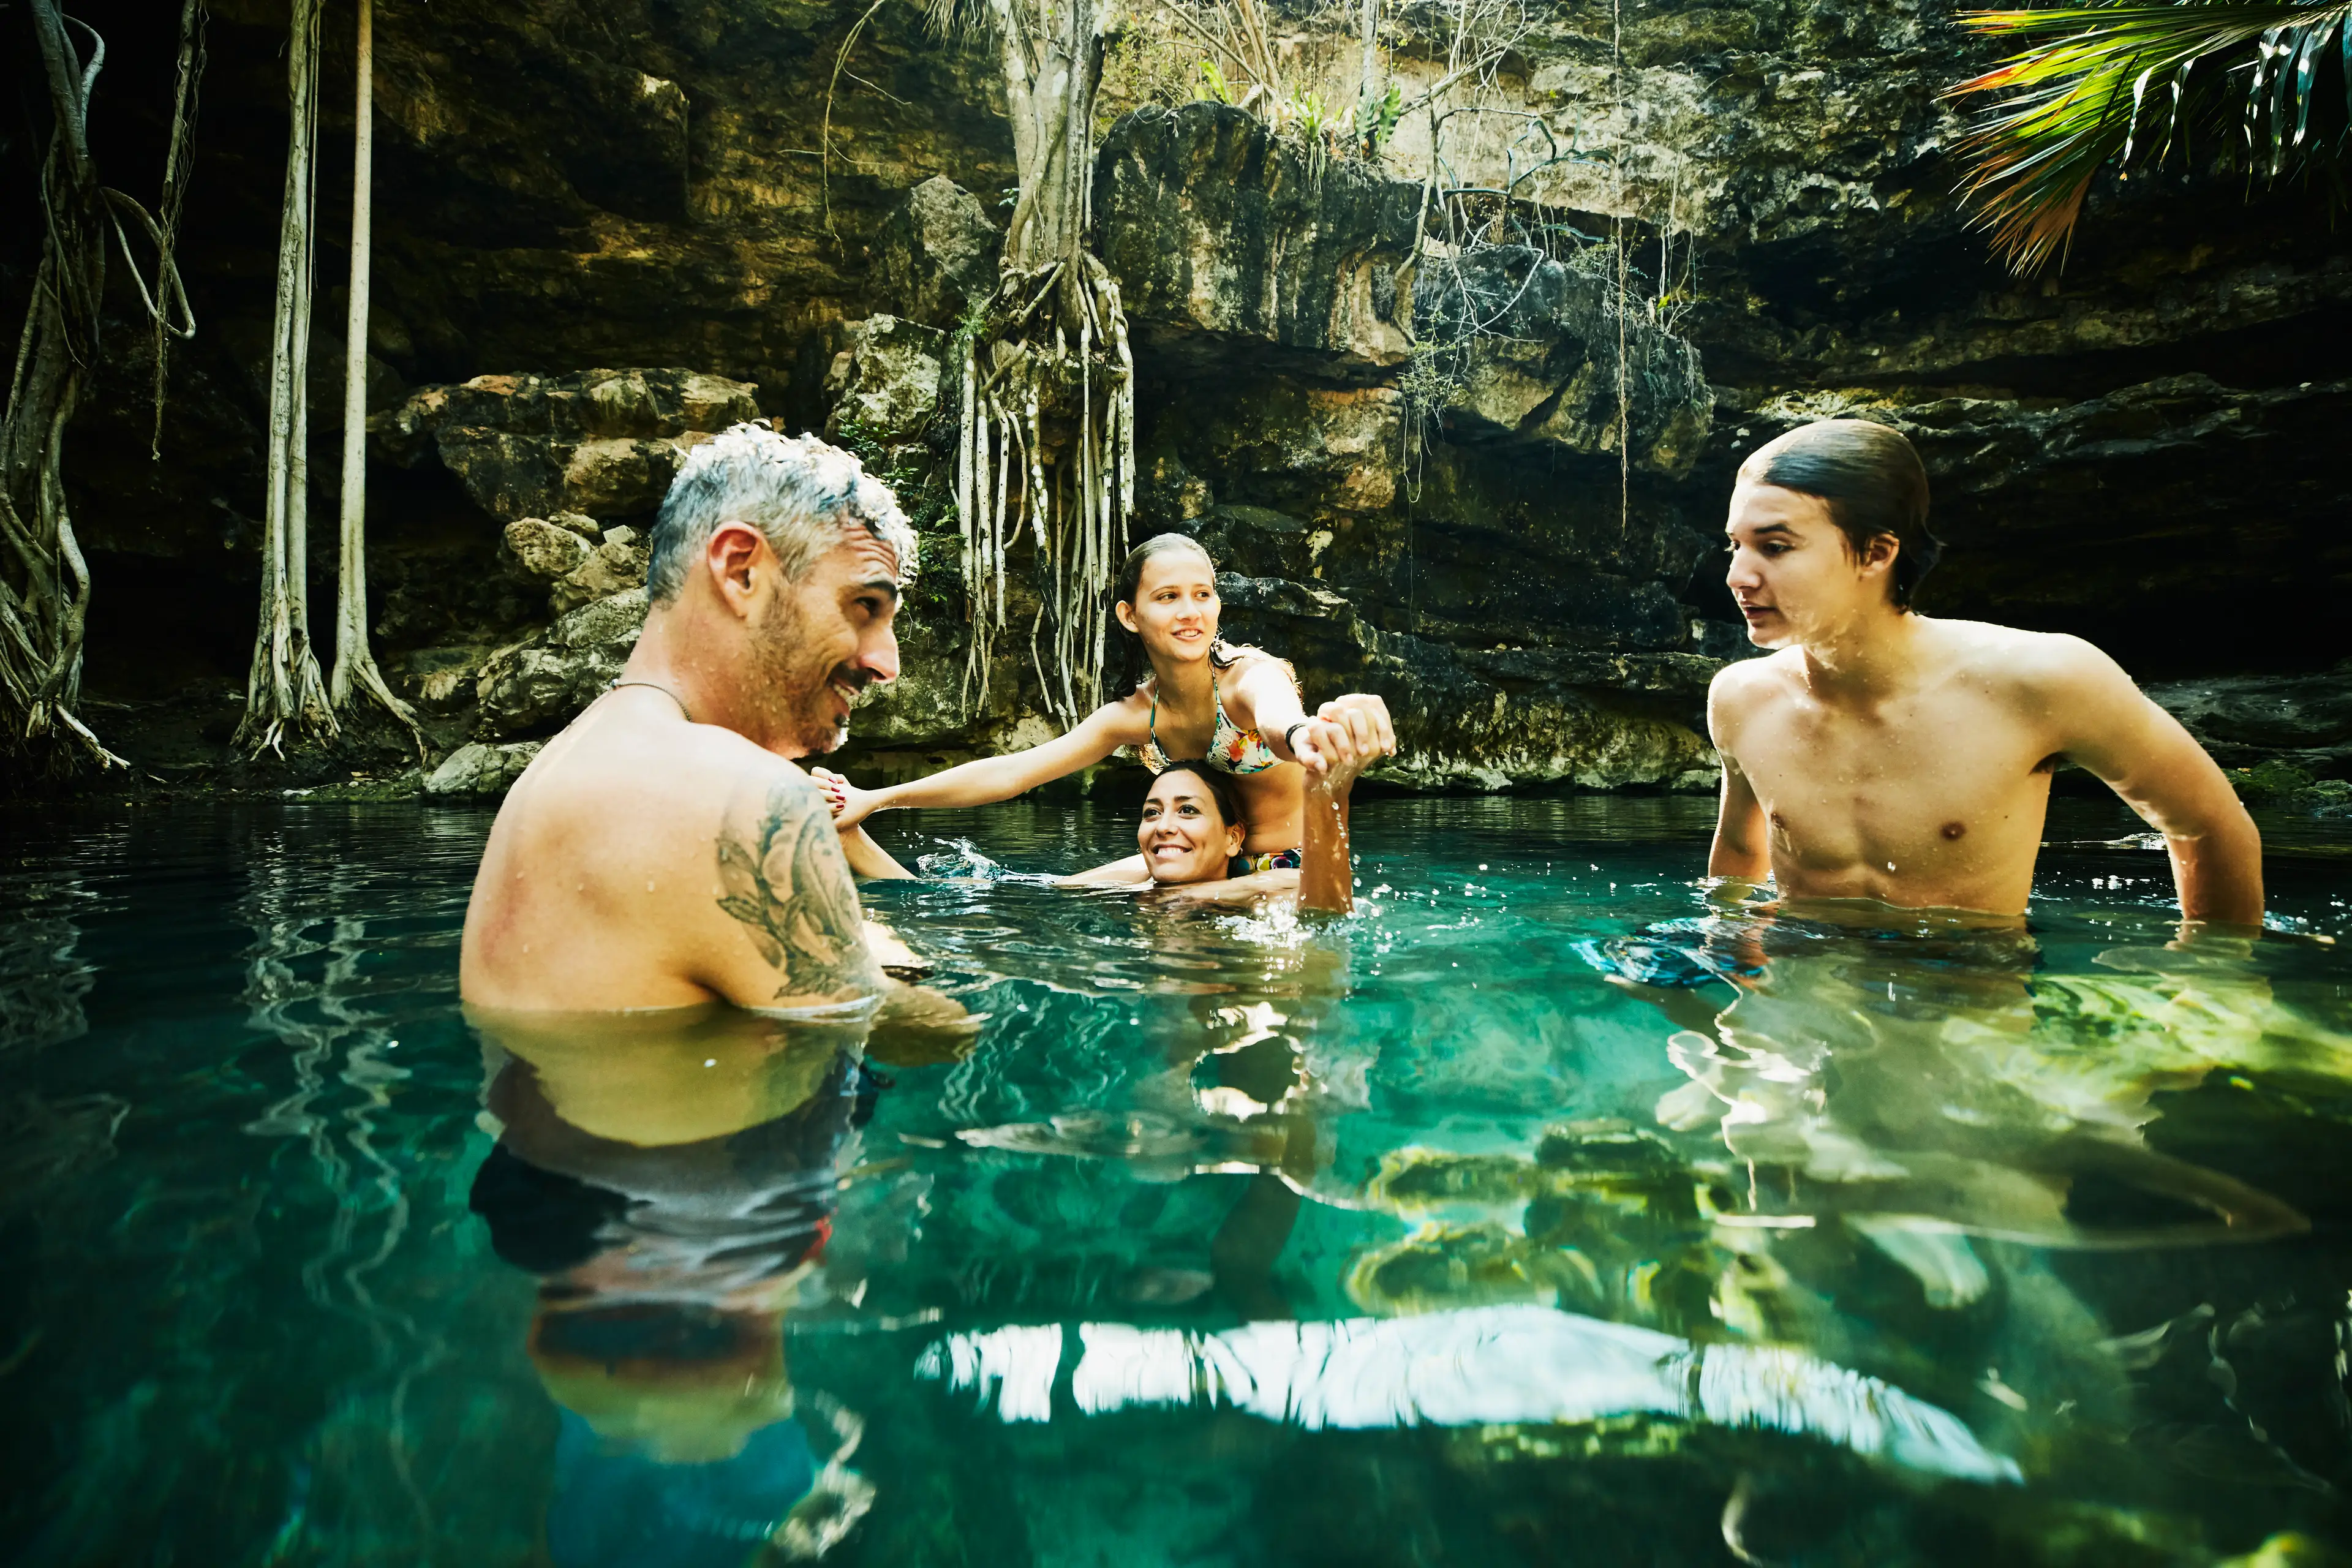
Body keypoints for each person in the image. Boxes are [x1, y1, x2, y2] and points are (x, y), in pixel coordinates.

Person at [1706, 418, 2262, 925]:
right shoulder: (1741, 699)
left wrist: (2217, 984)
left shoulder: (2043, 679)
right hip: (1804, 989)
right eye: (1735, 545)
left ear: (1877, 553)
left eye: (1774, 547)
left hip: (1966, 995)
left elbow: (2209, 825)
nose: (1737, 577)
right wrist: (1726, 959)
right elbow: (1739, 851)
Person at [459, 423, 919, 1014]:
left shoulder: (574, 760)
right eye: (864, 606)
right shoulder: (745, 797)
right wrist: (880, 942)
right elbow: (930, 1041)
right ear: (740, 571)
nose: (887, 663)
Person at [813, 532, 1396, 875]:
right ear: (1129, 615)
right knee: (1043, 889)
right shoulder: (1135, 715)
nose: (1191, 612)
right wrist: (878, 798)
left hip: (1289, 875)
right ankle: (860, 842)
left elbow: (1278, 719)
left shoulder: (1246, 677)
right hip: (1205, 864)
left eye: (1203, 595)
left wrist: (1305, 737)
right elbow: (1014, 772)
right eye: (1168, 597)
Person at [840, 735, 1376, 913]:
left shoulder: (1267, 889)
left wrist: (1203, 898)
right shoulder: (1138, 883)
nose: (1165, 825)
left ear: (1235, 836)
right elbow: (925, 893)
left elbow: (1316, 893)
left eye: (1188, 810)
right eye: (1151, 812)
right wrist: (851, 822)